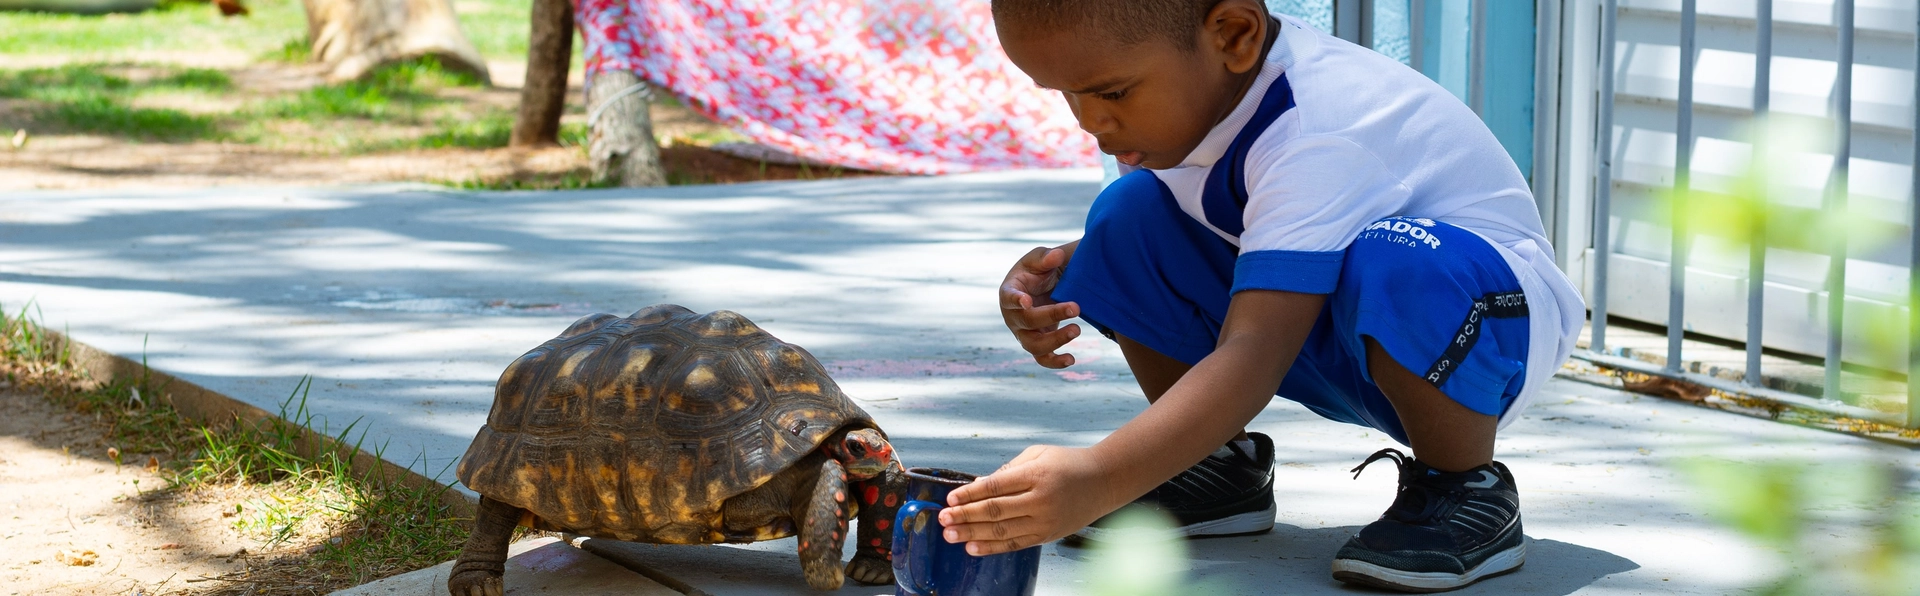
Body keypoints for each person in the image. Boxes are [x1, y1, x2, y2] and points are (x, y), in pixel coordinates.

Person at [933, 0, 1585, 592]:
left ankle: (1464, 487)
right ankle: (1220, 469)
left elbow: (1254, 351)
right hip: (1350, 318)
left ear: (1235, 35)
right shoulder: (1205, 95)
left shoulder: (1314, 128)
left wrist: (1099, 477)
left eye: (1111, 91)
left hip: (1488, 331)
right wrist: (1083, 269)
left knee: (1397, 261)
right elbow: (1248, 233)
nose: (1091, 122)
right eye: (1065, 95)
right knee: (1124, 217)